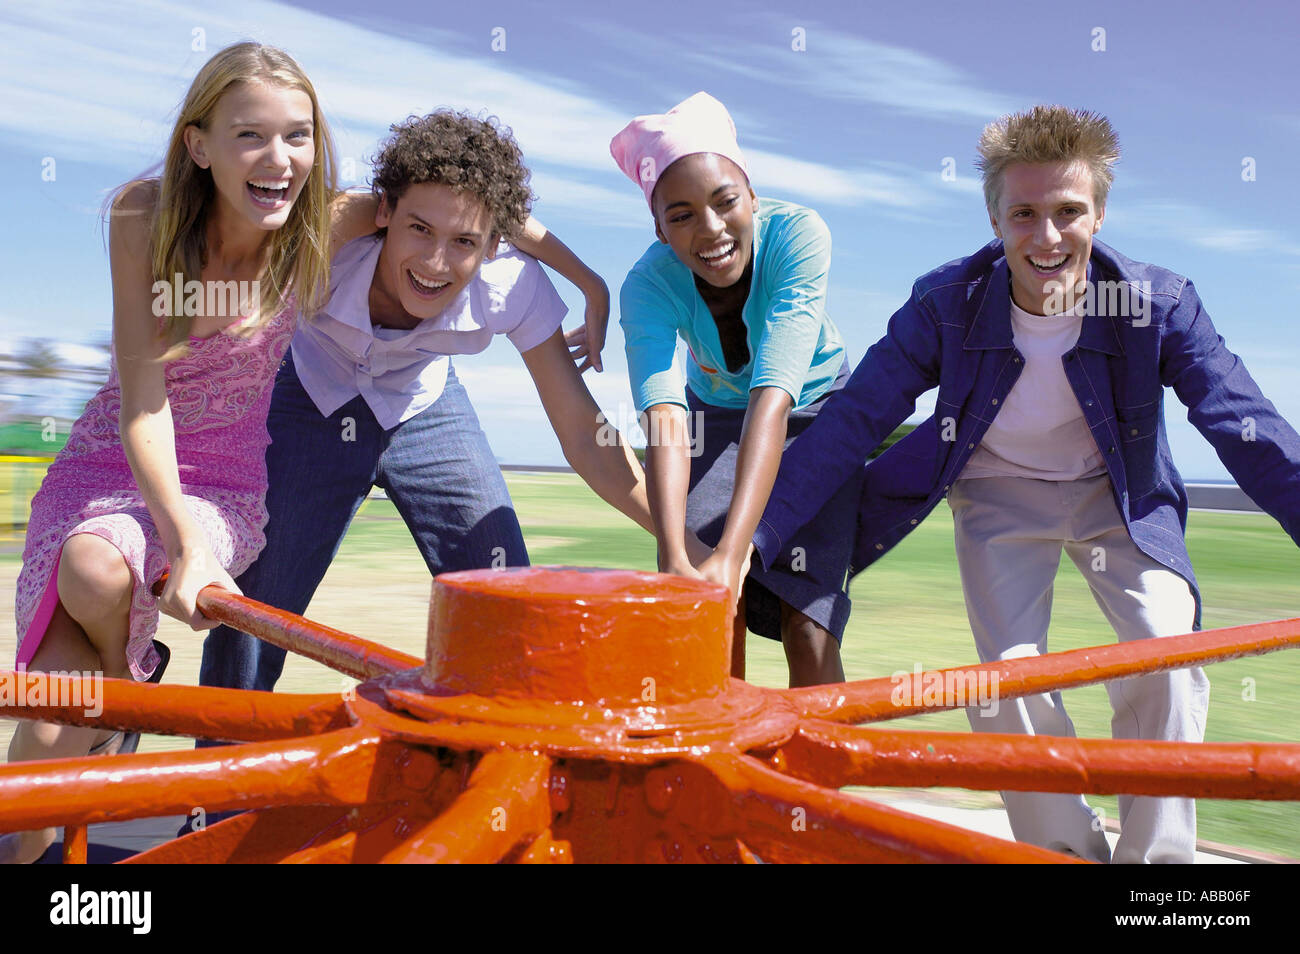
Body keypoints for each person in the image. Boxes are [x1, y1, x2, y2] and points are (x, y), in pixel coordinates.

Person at [734, 104, 1300, 862]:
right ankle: (1065, 852)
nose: (1047, 237)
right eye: (1024, 213)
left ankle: (1158, 876)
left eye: (1068, 211)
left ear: (1099, 213)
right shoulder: (943, 305)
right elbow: (853, 421)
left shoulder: (1157, 304)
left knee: (1168, 654)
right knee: (1006, 680)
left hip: (1116, 494)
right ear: (995, 219)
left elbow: (1245, 424)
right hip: (999, 487)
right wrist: (753, 541)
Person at [197, 109, 698, 699]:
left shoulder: (511, 283)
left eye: (464, 242)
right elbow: (217, 315)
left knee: (510, 600)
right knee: (255, 611)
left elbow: (585, 433)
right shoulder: (325, 246)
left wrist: (680, 540)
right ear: (384, 214)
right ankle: (226, 784)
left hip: (424, 405)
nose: (435, 264)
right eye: (418, 230)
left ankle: (498, 766)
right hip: (311, 393)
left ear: (493, 246)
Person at [3, 42, 342, 864]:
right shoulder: (143, 216)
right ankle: (118, 705)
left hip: (220, 481)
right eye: (251, 135)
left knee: (86, 606)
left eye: (298, 136)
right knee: (51, 724)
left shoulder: (323, 220)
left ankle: (115, 703)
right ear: (199, 144)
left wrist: (579, 280)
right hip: (109, 458)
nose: (280, 159)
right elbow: (142, 399)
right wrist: (184, 551)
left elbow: (450, 203)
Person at [611, 92, 858, 688]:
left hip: (814, 407)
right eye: (682, 215)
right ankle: (719, 772)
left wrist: (734, 552)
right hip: (716, 416)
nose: (711, 228)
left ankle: (819, 776)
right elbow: (665, 418)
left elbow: (773, 398)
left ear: (751, 196)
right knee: (707, 600)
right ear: (658, 226)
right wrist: (675, 554)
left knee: (808, 622)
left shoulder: (799, 234)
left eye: (725, 202)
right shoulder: (646, 285)